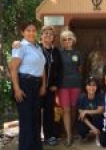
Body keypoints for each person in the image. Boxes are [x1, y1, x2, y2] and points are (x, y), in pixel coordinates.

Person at [10, 22, 46, 150]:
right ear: (22, 32)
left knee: (36, 119)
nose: (31, 33)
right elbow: (13, 68)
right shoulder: (20, 46)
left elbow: (42, 68)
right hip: (24, 84)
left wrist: (43, 85)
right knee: (26, 121)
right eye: (28, 30)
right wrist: (17, 89)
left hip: (36, 86)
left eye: (33, 30)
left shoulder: (37, 47)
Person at [58, 29, 82, 146]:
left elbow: (80, 69)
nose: (67, 41)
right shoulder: (58, 52)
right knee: (66, 110)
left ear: (73, 40)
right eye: (64, 39)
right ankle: (68, 136)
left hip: (76, 85)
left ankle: (72, 130)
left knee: (73, 109)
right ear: (61, 42)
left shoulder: (77, 53)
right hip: (63, 86)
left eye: (69, 39)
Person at [39, 26, 62, 145]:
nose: (48, 35)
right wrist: (16, 43)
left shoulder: (56, 51)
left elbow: (60, 69)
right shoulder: (36, 49)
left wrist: (56, 85)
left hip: (50, 88)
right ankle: (35, 136)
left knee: (49, 112)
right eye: (45, 33)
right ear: (41, 35)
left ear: (53, 38)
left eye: (51, 34)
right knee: (35, 112)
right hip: (36, 87)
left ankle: (49, 136)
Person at [76, 76, 104, 146]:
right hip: (87, 119)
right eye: (89, 85)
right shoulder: (81, 98)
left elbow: (100, 110)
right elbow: (82, 115)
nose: (91, 87)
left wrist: (86, 111)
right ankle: (85, 135)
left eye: (94, 85)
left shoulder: (100, 96)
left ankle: (97, 136)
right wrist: (92, 128)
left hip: (96, 118)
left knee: (97, 116)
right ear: (85, 87)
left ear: (97, 87)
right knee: (81, 125)